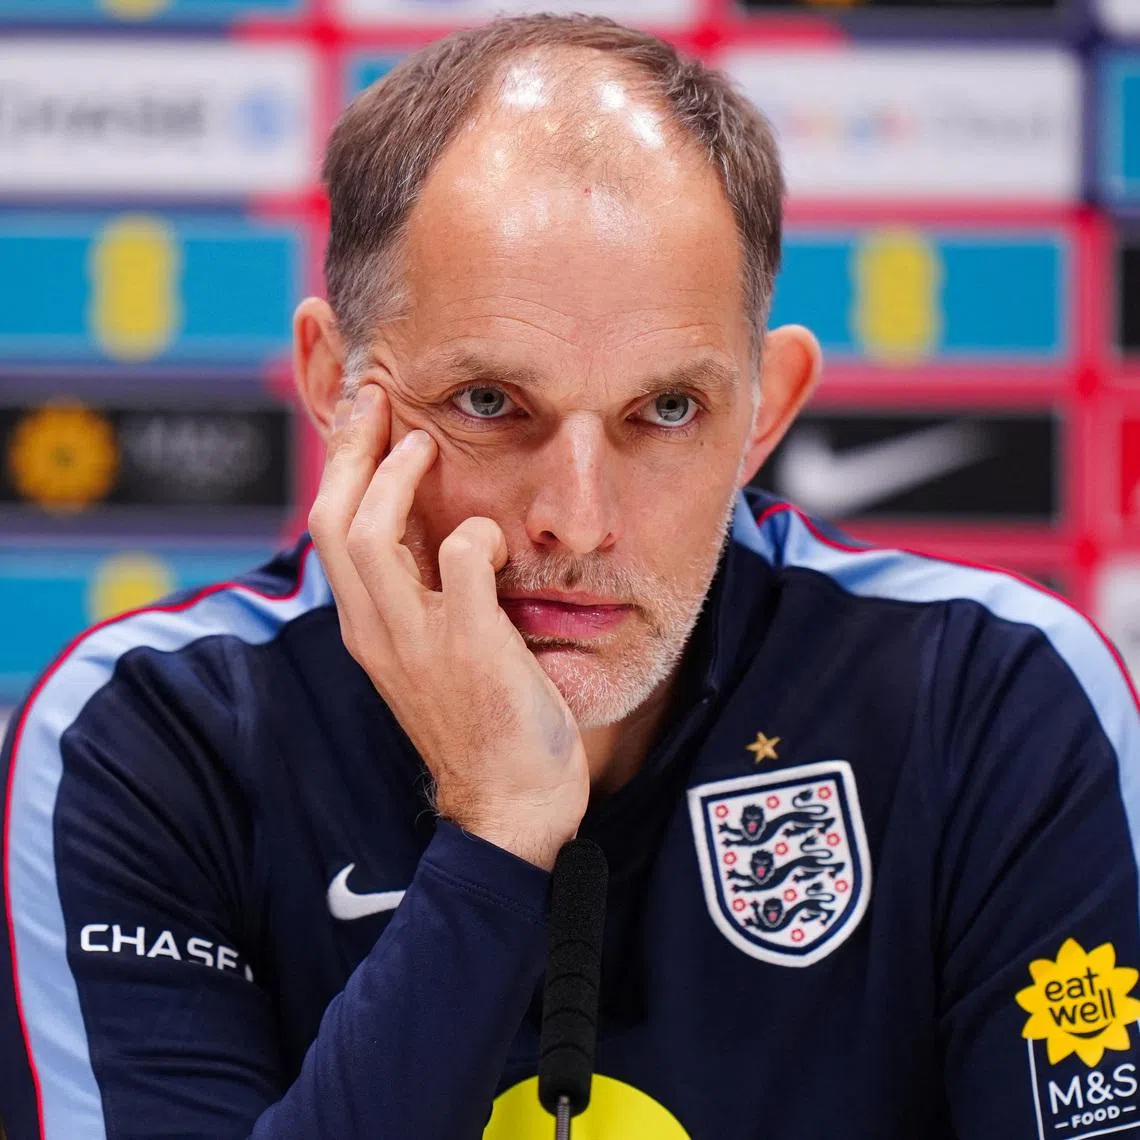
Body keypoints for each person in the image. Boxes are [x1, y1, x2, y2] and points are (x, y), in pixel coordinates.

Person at [2, 14, 1138, 1140]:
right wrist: (498, 829)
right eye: (490, 403)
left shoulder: (992, 699)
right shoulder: (140, 740)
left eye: (668, 409)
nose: (578, 520)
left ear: (765, 412)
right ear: (336, 384)